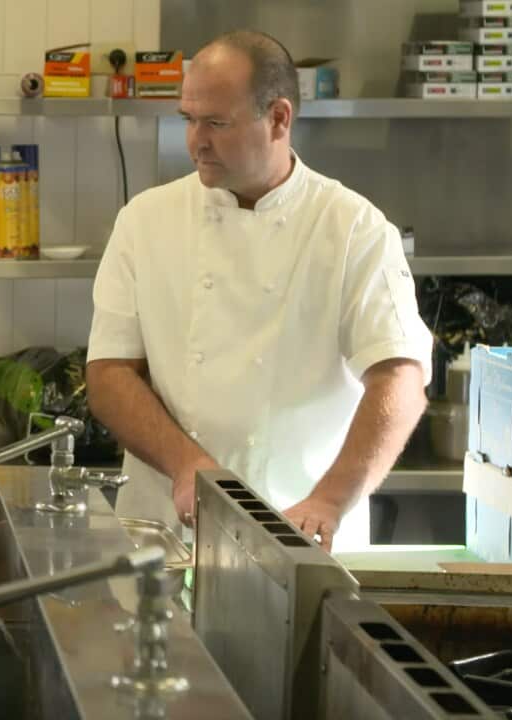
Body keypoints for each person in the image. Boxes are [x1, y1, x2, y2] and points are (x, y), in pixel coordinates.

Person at [85, 31, 432, 552]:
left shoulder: (352, 229)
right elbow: (109, 373)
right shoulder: (145, 221)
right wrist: (188, 466)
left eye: (217, 123)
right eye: (189, 119)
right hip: (164, 533)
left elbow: (400, 381)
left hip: (300, 535)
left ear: (278, 119)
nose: (196, 141)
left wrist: (330, 502)